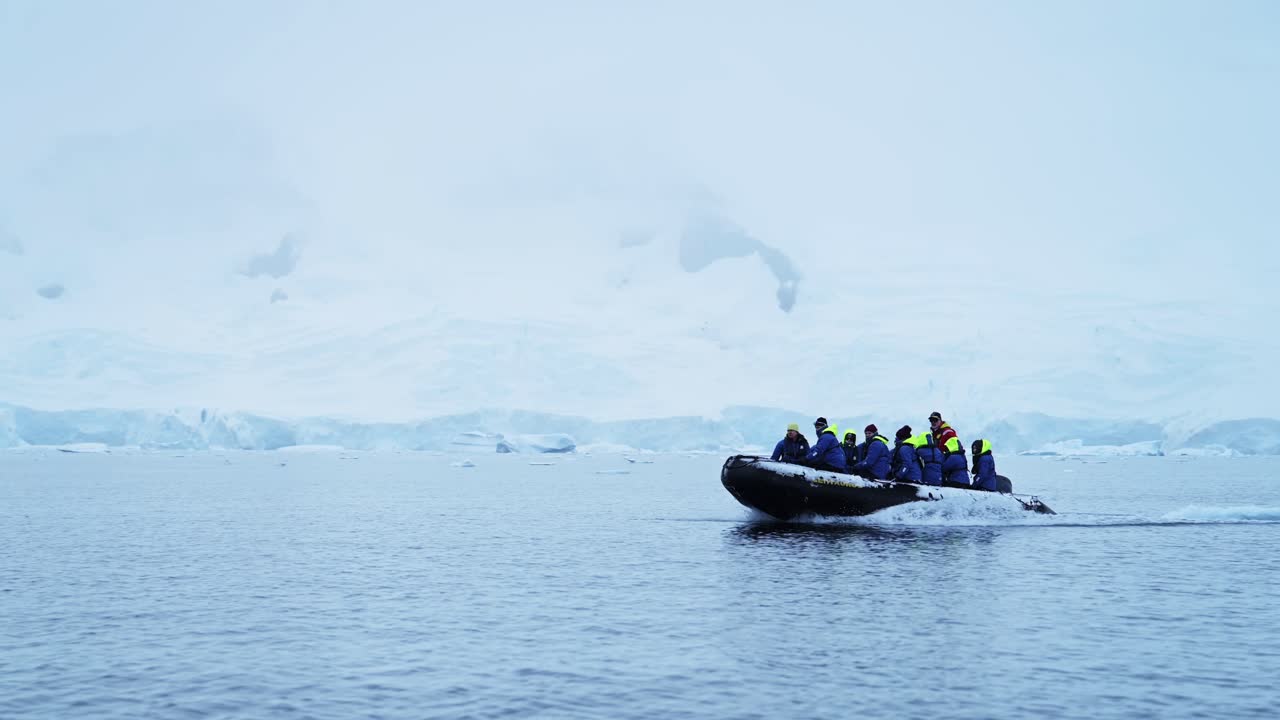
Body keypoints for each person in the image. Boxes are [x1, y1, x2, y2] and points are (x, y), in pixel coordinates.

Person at [929, 411, 970, 488]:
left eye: (935, 420)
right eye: (931, 420)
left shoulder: (947, 432)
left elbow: (954, 446)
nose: (933, 422)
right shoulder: (936, 433)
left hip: (948, 460)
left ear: (940, 420)